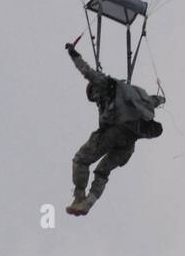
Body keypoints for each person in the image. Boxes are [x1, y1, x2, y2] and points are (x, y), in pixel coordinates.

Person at [65, 40, 165, 216]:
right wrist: (161, 99)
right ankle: (88, 203)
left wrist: (73, 54)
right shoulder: (129, 93)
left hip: (114, 131)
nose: (95, 98)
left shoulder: (104, 83)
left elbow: (86, 72)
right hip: (129, 142)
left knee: (81, 159)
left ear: (95, 88)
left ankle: (80, 197)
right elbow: (152, 100)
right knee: (102, 172)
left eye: (93, 94)